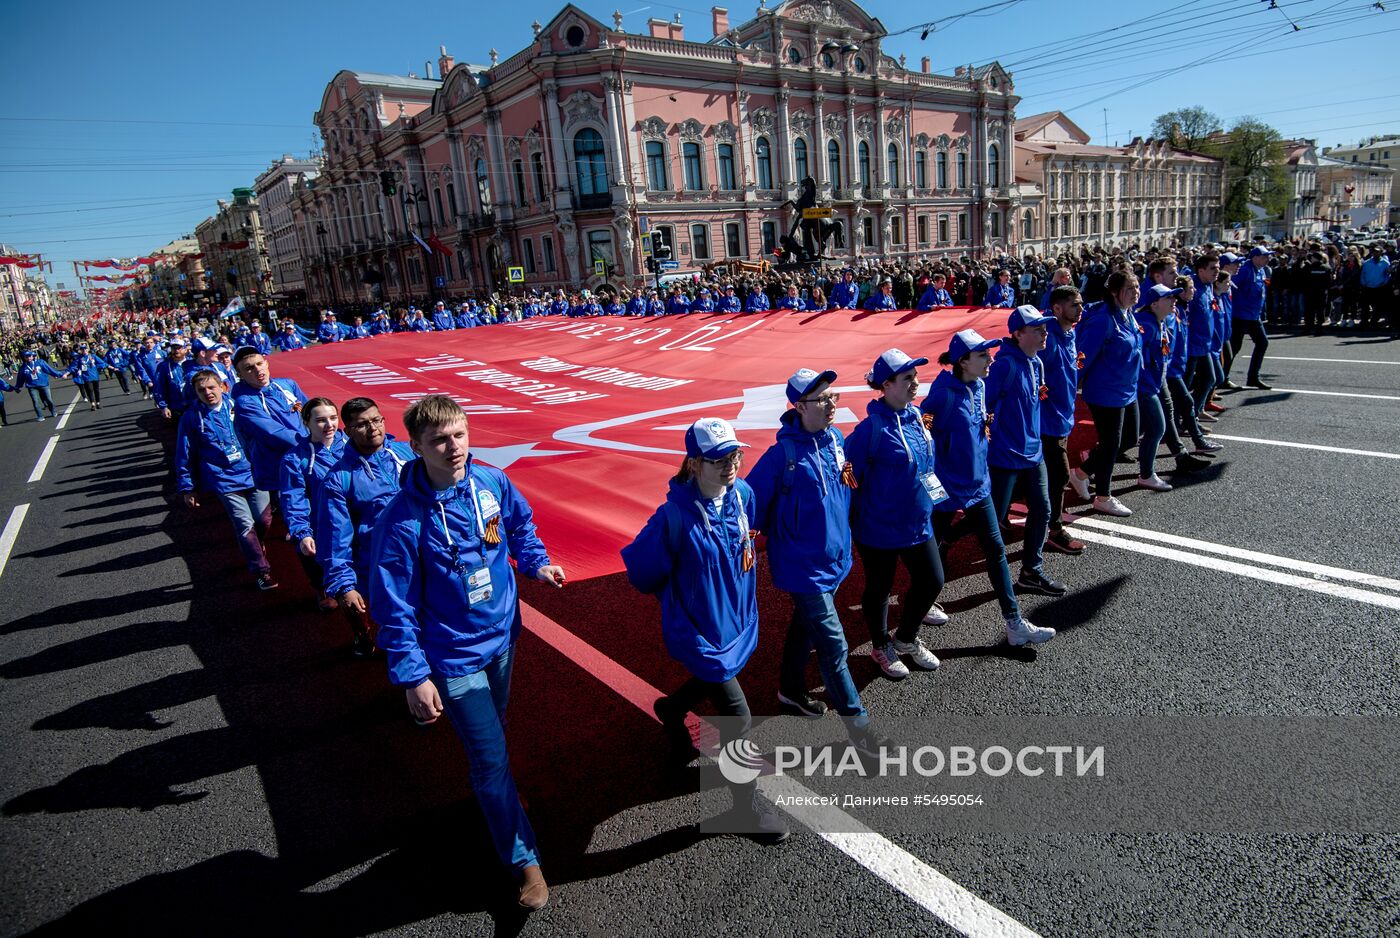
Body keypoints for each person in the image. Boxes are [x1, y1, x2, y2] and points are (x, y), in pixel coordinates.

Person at [369, 395, 565, 910]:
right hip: (452, 657)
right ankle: (526, 862)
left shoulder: (491, 483)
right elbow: (392, 607)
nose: (452, 446)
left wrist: (537, 563)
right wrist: (414, 676)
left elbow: (520, 528)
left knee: (493, 734)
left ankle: (489, 791)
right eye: (438, 439)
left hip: (503, 638)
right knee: (491, 755)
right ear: (414, 446)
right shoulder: (401, 521)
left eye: (459, 434)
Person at [621, 417, 789, 844]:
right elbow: (640, 572)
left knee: (712, 683)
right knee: (739, 717)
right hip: (699, 631)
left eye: (734, 455)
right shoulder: (672, 517)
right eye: (717, 459)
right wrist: (685, 597)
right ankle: (744, 808)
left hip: (734, 620)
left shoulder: (744, 495)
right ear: (693, 464)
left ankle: (672, 710)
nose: (729, 465)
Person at [745, 368, 880, 748]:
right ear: (800, 406)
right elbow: (750, 505)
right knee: (834, 646)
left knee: (805, 627)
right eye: (822, 399)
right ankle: (861, 732)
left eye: (833, 396)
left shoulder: (836, 439)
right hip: (803, 567)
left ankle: (789, 690)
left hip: (834, 559)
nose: (832, 404)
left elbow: (848, 485)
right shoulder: (781, 456)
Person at [925, 330, 1058, 646]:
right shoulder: (941, 395)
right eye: (983, 355)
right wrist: (930, 486)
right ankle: (917, 611)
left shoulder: (981, 386)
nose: (990, 360)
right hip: (946, 488)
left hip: (978, 485)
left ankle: (1014, 623)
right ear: (963, 361)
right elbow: (924, 438)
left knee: (996, 550)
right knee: (929, 552)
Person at [845, 349, 946, 680]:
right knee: (880, 588)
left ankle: (905, 638)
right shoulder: (868, 432)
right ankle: (880, 645)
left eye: (915, 376)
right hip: (878, 526)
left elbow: (926, 464)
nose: (915, 383)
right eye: (907, 378)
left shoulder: (916, 417)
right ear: (886, 385)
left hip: (917, 521)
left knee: (932, 579)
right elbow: (849, 480)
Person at [318, 397, 415, 657]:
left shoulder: (407, 453)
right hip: (381, 570)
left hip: (425, 559)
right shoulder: (339, 479)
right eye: (362, 424)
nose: (372, 428)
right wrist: (344, 585)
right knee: (401, 634)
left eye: (376, 420)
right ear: (348, 431)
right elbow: (334, 537)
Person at [985, 308, 1066, 596]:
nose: (1045, 332)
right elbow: (984, 406)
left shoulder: (1036, 363)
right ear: (1018, 333)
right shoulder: (1003, 366)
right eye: (1037, 328)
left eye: (1044, 327)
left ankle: (1031, 571)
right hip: (1005, 455)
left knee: (1043, 510)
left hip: (1033, 452)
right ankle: (945, 542)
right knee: (990, 519)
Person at [174, 369, 277, 591]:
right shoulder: (191, 418)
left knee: (264, 520)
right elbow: (185, 453)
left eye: (211, 387)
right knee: (244, 525)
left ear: (223, 386)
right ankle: (262, 571)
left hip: (254, 472)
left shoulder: (241, 407)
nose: (207, 393)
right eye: (201, 390)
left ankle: (256, 546)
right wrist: (187, 487)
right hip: (222, 478)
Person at [1068, 270, 1142, 517]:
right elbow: (1083, 356)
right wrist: (1071, 389)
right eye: (1130, 288)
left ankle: (1080, 473)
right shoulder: (1103, 319)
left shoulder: (1128, 315)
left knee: (1130, 438)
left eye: (1137, 287)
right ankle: (1103, 496)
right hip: (1105, 391)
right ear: (1114, 292)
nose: (1136, 293)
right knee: (1111, 444)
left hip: (1126, 388)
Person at [1133, 284, 1211, 492]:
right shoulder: (1147, 325)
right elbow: (1139, 362)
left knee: (1134, 433)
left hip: (1156, 383)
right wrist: (1149, 382)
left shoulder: (1158, 322)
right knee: (1157, 428)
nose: (1174, 301)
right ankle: (1146, 475)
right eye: (1169, 298)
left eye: (1174, 298)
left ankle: (1088, 467)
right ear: (1155, 303)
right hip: (1145, 387)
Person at [279, 396, 345, 611]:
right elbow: (293, 498)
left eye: (333, 418)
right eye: (320, 420)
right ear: (306, 422)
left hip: (353, 521)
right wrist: (302, 532)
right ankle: (321, 588)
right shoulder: (295, 459)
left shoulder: (354, 447)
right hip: (320, 524)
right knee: (314, 558)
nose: (329, 425)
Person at [230, 348, 309, 508]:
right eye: (249, 368)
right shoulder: (245, 403)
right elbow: (274, 433)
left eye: (259, 363)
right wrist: (312, 443)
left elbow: (309, 413)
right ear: (240, 375)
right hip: (278, 468)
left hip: (305, 458)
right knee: (293, 514)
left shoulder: (287, 384)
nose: (257, 369)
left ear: (266, 363)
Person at [1040, 286, 1085, 554]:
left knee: (1037, 477)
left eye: (1080, 304)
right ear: (1057, 309)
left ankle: (1000, 515)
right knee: (1058, 476)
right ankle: (1054, 530)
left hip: (1063, 417)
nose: (1080, 310)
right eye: (1074, 305)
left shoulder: (1070, 333)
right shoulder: (1046, 339)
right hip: (1048, 421)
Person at [1228, 245, 1272, 389]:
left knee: (1262, 342)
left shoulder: (1261, 271)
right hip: (1240, 315)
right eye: (1265, 256)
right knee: (1234, 347)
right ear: (1255, 257)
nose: (1267, 259)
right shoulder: (1245, 270)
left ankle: (1253, 377)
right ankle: (1222, 377)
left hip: (1253, 315)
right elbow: (1230, 288)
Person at [13, 349, 61, 421]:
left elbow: (49, 370)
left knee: (49, 399)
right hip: (32, 386)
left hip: (44, 384)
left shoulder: (40, 363)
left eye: (30, 356)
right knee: (35, 401)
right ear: (24, 358)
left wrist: (59, 374)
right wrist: (17, 387)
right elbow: (20, 378)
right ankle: (40, 416)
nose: (28, 358)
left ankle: (53, 411)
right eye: (26, 356)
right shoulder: (23, 368)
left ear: (33, 356)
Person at [152, 337, 193, 420]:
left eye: (179, 348)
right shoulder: (164, 366)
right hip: (176, 407)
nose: (176, 350)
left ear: (185, 349)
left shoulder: (192, 363)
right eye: (174, 348)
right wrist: (163, 406)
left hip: (193, 405)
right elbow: (159, 387)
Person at [66, 343, 104, 410]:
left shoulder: (93, 356)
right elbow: (72, 367)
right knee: (89, 390)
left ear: (87, 349)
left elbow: (101, 363)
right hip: (86, 376)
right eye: (82, 349)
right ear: (81, 350)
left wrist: (96, 367)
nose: (84, 350)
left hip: (95, 376)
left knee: (96, 390)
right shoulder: (79, 358)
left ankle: (98, 402)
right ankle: (93, 404)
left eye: (85, 349)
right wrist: (66, 373)